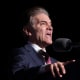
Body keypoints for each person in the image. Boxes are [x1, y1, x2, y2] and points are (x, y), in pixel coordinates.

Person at [9, 6, 76, 80]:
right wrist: (44, 69)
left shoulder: (55, 62)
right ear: (28, 31)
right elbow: (16, 75)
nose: (50, 28)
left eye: (50, 24)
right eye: (43, 23)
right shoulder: (21, 53)